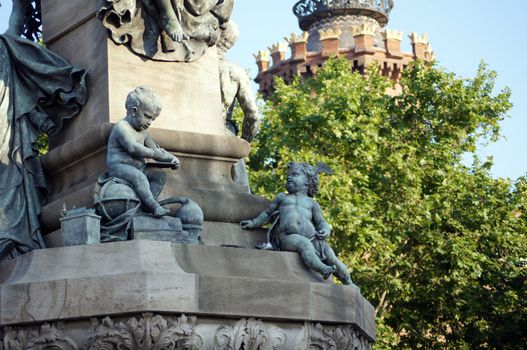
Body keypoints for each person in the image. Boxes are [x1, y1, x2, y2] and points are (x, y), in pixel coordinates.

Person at [0, 0, 87, 261]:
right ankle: (10, 238)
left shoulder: (3, 48)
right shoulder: (3, 48)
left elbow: (13, 29)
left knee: (9, 176)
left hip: (6, 138)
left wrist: (19, 7)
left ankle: (11, 239)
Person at [241, 162, 354, 285]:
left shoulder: (312, 203)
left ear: (307, 181)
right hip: (289, 238)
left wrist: (326, 230)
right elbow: (267, 214)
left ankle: (348, 282)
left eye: (295, 174)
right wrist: (253, 223)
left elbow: (321, 222)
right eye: (288, 176)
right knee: (304, 244)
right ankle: (323, 269)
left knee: (332, 258)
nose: (289, 177)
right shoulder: (282, 197)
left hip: (314, 238)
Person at [106, 87, 180, 217]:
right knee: (139, 177)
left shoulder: (144, 132)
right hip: (119, 167)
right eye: (148, 117)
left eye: (153, 119)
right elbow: (133, 148)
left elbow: (157, 151)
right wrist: (153, 153)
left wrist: (171, 159)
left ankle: (147, 203)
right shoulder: (121, 128)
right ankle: (154, 206)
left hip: (139, 167)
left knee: (159, 175)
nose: (150, 122)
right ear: (134, 111)